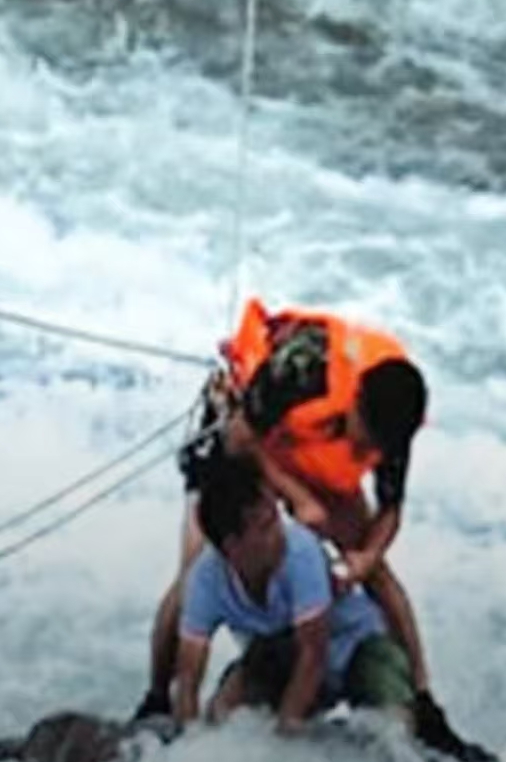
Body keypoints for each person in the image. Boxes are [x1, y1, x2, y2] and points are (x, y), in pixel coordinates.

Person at [137, 297, 434, 722]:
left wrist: (366, 557)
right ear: (354, 402)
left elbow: (391, 508)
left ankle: (423, 699)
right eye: (364, 439)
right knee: (194, 573)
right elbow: (239, 437)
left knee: (379, 576)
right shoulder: (304, 369)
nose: (365, 452)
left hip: (310, 447)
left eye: (375, 447)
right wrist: (297, 497)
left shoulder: (395, 421)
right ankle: (156, 698)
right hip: (244, 440)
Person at [170, 450, 420, 734]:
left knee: (394, 730)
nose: (279, 533)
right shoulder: (205, 579)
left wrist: (284, 737)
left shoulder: (300, 550)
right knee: (223, 711)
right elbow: (187, 679)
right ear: (232, 545)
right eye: (266, 527)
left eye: (276, 518)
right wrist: (188, 743)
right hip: (282, 654)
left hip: (356, 646)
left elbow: (313, 655)